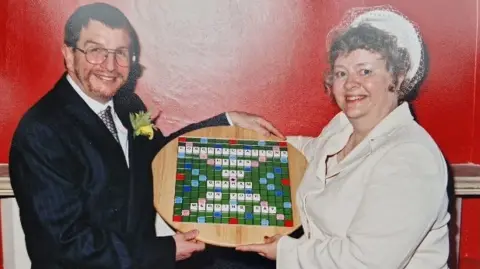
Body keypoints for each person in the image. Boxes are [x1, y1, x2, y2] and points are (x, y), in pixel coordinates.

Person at [8, 3, 283, 269]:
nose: (110, 65)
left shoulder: (129, 104)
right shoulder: (41, 131)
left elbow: (161, 156)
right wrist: (167, 250)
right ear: (69, 54)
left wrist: (227, 120)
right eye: (96, 51)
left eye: (120, 53)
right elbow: (65, 243)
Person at [236, 6, 451, 269]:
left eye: (365, 71)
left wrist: (283, 250)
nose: (350, 84)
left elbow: (365, 262)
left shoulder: (411, 157)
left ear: (397, 76)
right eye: (341, 73)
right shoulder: (343, 128)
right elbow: (310, 150)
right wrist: (256, 140)